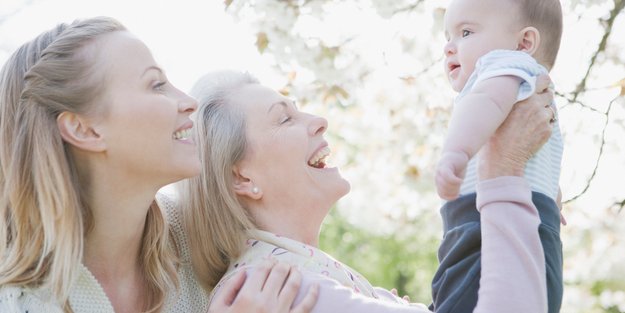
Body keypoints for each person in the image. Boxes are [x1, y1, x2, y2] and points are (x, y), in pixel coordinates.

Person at [0, 17, 317, 313]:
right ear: (85, 130)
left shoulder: (202, 243)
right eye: (156, 84)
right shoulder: (19, 302)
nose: (189, 102)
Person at [179, 69, 556, 312]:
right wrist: (504, 177)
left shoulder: (301, 274)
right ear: (241, 178)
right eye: (285, 118)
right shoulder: (274, 290)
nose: (318, 121)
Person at [431, 0, 564, 312]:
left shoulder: (504, 66)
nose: (450, 48)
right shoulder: (532, 85)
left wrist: (456, 153)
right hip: (536, 228)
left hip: (482, 224)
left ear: (524, 43)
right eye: (447, 36)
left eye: (465, 32)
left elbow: (486, 101)